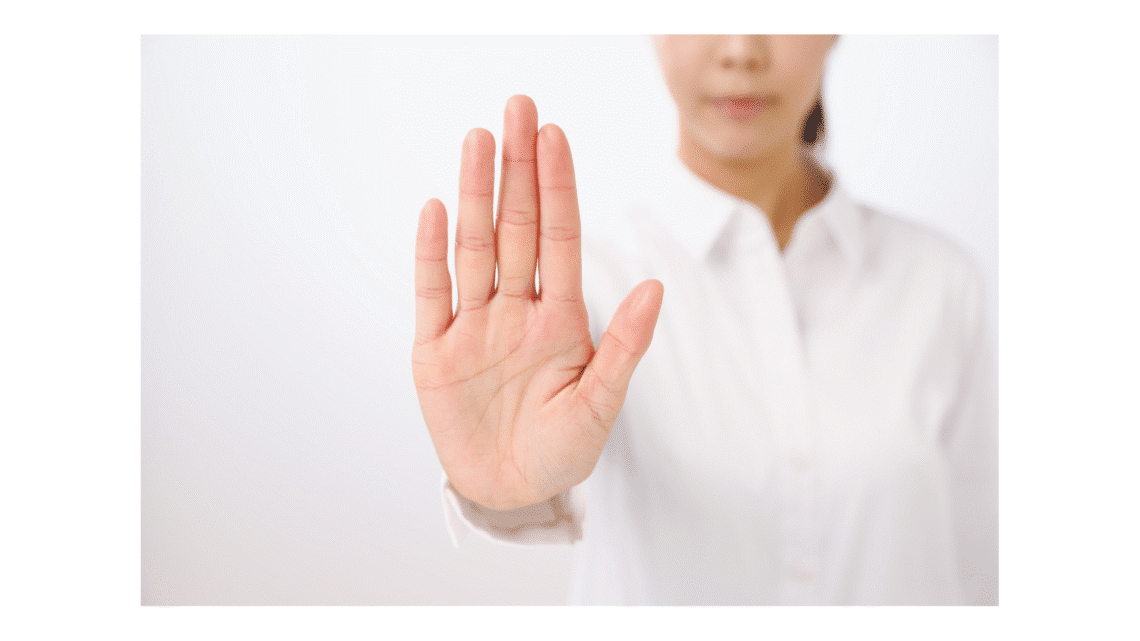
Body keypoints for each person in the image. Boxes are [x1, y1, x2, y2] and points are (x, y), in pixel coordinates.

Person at [412, 35, 997, 605]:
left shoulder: (942, 283)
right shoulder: (573, 292)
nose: (741, 49)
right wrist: (506, 494)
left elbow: (980, 567)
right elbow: (544, 477)